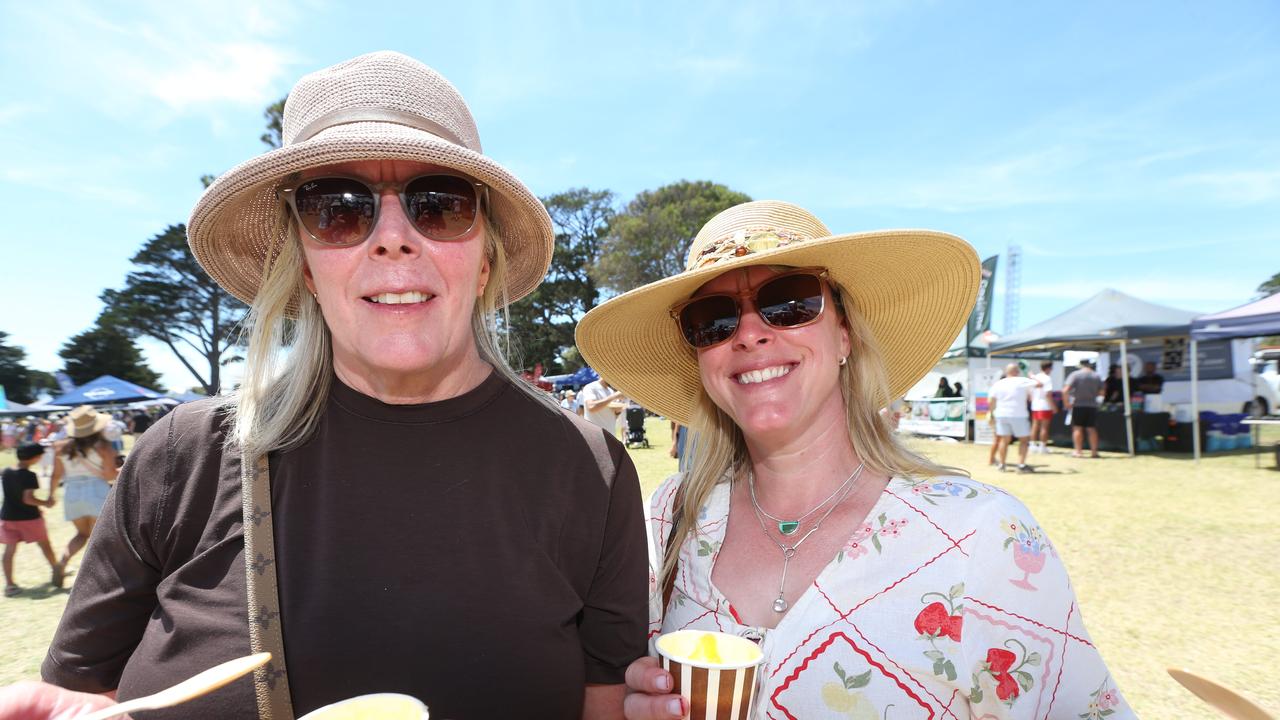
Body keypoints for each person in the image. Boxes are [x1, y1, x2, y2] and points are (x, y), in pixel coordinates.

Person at [27, 52, 646, 720]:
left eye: (439, 205)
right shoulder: (183, 456)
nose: (392, 240)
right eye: (337, 210)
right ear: (304, 266)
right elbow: (82, 699)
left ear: (486, 255)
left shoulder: (591, 471)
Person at [576, 201, 1132, 719]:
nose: (749, 334)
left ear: (844, 335)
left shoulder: (981, 535)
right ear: (701, 358)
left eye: (789, 302)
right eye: (713, 319)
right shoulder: (670, 516)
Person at [52, 405, 118, 570]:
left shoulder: (61, 448)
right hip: (97, 491)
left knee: (82, 535)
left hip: (72, 493)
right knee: (103, 537)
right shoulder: (104, 447)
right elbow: (110, 475)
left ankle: (62, 562)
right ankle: (101, 572)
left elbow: (56, 474)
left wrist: (50, 495)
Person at [2, 444, 62, 596]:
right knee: (45, 545)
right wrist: (46, 503)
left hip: (7, 516)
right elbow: (28, 499)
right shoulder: (29, 476)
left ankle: (9, 585)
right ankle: (56, 569)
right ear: (35, 457)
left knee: (9, 551)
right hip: (29, 518)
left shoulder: (6, 471)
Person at [987, 363, 1042, 472]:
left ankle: (1002, 464)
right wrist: (1031, 375)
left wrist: (992, 413)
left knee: (1004, 440)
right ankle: (1021, 465)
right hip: (1018, 414)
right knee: (1023, 440)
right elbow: (1040, 384)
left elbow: (991, 400)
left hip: (1001, 414)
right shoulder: (1022, 380)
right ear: (1017, 371)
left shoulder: (998, 383)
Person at [1064, 359, 1103, 458]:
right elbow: (1102, 392)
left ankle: (1078, 451)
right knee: (1092, 429)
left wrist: (1067, 403)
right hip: (1092, 405)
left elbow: (1065, 390)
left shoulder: (1075, 375)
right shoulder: (1096, 375)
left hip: (1078, 405)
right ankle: (1094, 452)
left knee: (1077, 428)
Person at [1029, 360, 1057, 454]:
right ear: (1049, 368)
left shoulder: (1034, 377)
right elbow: (1048, 394)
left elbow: (1030, 394)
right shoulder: (1047, 378)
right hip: (1045, 405)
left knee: (1035, 425)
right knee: (1044, 427)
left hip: (1035, 405)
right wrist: (1053, 406)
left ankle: (1032, 446)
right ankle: (1042, 447)